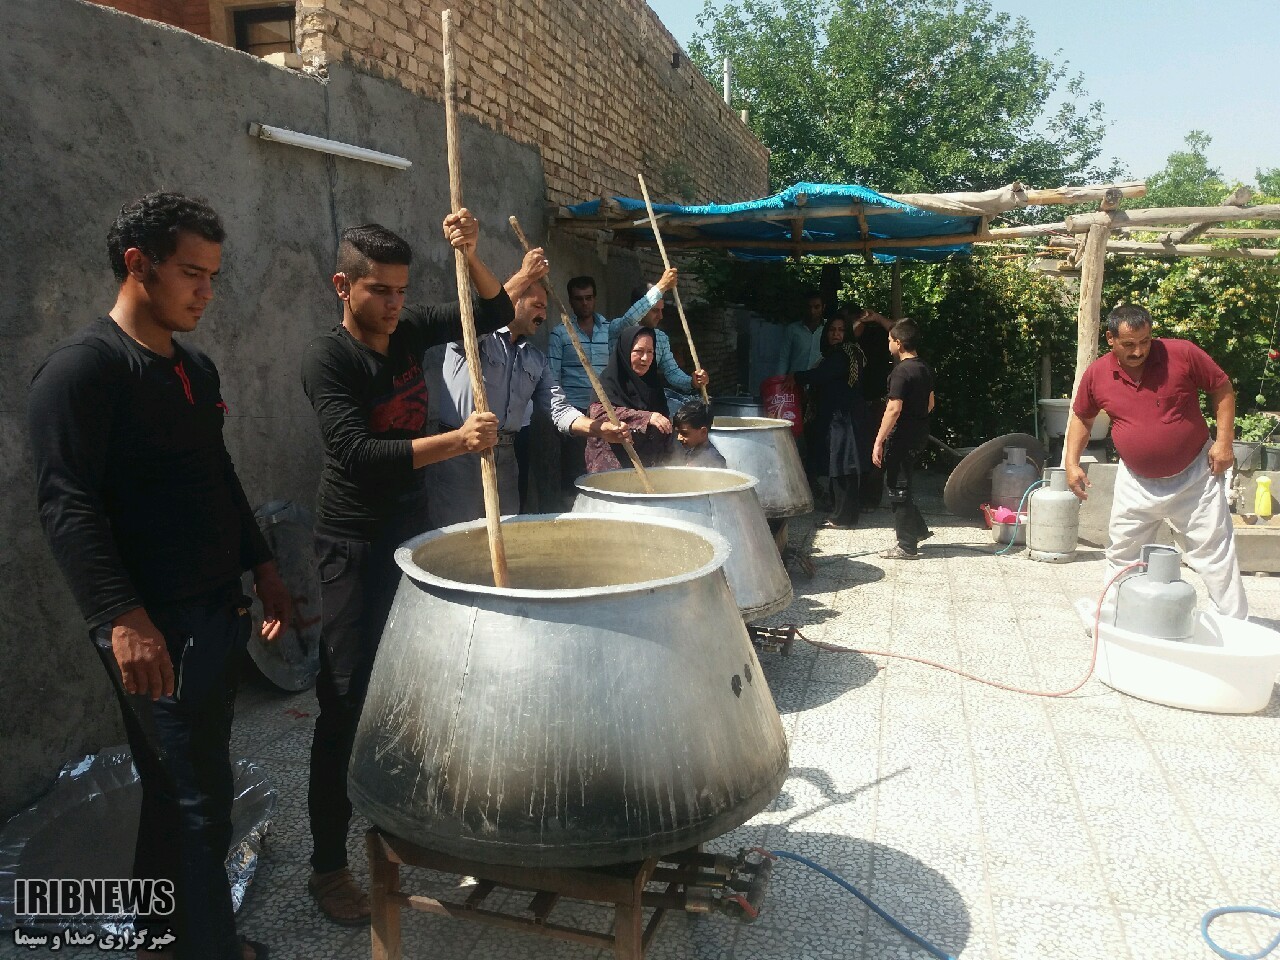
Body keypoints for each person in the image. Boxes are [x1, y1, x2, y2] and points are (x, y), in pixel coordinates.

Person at [27, 192, 292, 960]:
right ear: (138, 264)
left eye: (213, 275)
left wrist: (263, 565)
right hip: (153, 626)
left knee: (179, 794)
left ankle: (157, 939)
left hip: (215, 613)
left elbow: (217, 475)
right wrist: (121, 617)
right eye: (191, 273)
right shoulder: (83, 371)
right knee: (199, 801)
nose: (206, 291)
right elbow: (67, 505)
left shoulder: (194, 370)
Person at [299, 216, 509, 925]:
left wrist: (470, 253)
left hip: (407, 539)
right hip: (351, 546)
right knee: (345, 703)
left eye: (401, 291)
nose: (394, 304)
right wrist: (458, 440)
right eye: (379, 291)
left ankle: (411, 820)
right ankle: (328, 867)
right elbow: (359, 454)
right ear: (343, 286)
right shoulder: (329, 360)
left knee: (413, 688)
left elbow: (495, 312)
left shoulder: (410, 329)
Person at [426, 249, 632, 527]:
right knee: (458, 535)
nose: (543, 315)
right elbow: (478, 317)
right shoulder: (473, 338)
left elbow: (559, 409)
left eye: (545, 308)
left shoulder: (535, 359)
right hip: (459, 455)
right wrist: (524, 275)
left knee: (506, 534)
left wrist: (599, 429)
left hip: (505, 459)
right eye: (537, 306)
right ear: (514, 303)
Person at [1065, 304, 1246, 618]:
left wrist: (1224, 443)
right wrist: (1071, 463)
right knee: (1122, 552)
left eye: (1145, 342)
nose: (1138, 351)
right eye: (1129, 344)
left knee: (1214, 552)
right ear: (1110, 339)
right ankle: (1114, 618)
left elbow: (1222, 389)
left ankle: (1234, 623)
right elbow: (1082, 416)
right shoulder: (1097, 374)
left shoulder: (1182, 354)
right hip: (1135, 481)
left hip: (1195, 476)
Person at [793, 315, 875, 528]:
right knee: (842, 464)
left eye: (840, 330)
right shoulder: (847, 353)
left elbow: (820, 375)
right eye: (832, 330)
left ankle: (842, 517)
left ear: (847, 333)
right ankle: (842, 512)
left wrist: (794, 377)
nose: (836, 334)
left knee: (842, 465)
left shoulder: (842, 355)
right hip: (845, 414)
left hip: (844, 416)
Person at [872, 319, 935, 559]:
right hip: (919, 433)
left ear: (898, 343)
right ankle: (918, 530)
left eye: (889, 340)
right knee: (903, 481)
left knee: (897, 487)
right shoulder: (925, 368)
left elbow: (893, 409)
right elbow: (930, 403)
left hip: (902, 436)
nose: (888, 344)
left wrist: (879, 441)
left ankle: (906, 545)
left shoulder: (900, 371)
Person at [607, 268, 709, 397]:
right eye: (655, 311)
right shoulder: (619, 329)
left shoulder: (660, 338)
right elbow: (630, 319)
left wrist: (692, 382)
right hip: (618, 398)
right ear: (639, 308)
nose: (660, 316)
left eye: (662, 310)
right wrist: (662, 286)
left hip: (646, 399)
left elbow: (672, 372)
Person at [586, 326, 673, 472]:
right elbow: (598, 414)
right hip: (613, 469)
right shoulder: (609, 382)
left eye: (650, 352)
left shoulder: (653, 385)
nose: (645, 358)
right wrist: (646, 417)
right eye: (639, 351)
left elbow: (664, 425)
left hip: (648, 470)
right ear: (625, 351)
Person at [668, 401, 728, 468]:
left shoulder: (715, 460)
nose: (679, 437)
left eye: (684, 433)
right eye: (677, 432)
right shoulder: (690, 451)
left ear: (703, 432)